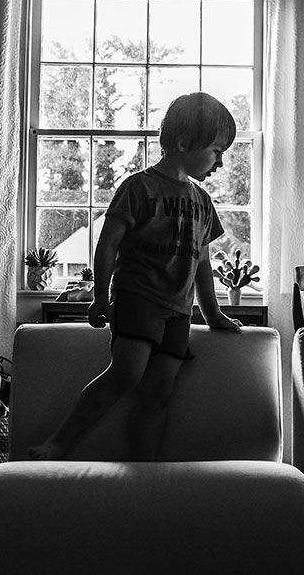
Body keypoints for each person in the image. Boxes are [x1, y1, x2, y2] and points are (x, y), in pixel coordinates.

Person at [29, 92, 243, 462]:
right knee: (126, 374)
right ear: (181, 143)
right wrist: (100, 296)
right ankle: (58, 444)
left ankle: (143, 467)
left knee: (159, 391)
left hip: (178, 310)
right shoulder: (138, 187)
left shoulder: (203, 202)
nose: (221, 163)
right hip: (138, 297)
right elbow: (108, 243)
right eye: (216, 151)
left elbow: (203, 263)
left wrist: (212, 314)